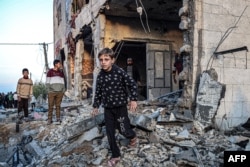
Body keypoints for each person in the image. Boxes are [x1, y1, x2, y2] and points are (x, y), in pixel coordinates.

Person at [91, 48, 138, 167]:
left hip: (120, 107)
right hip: (108, 109)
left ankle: (133, 136)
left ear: (112, 60)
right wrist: (96, 106)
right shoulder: (100, 76)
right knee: (110, 132)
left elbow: (132, 84)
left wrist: (133, 99)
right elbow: (98, 93)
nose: (103, 62)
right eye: (101, 60)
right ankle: (115, 155)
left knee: (123, 130)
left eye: (106, 59)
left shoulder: (119, 72)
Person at [46, 59, 65, 125]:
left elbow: (63, 82)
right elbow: (47, 82)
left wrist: (63, 91)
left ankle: (58, 118)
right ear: (56, 64)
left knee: (58, 106)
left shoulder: (61, 72)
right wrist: (49, 91)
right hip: (52, 92)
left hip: (59, 92)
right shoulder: (50, 72)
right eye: (59, 64)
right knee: (50, 106)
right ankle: (49, 119)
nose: (60, 65)